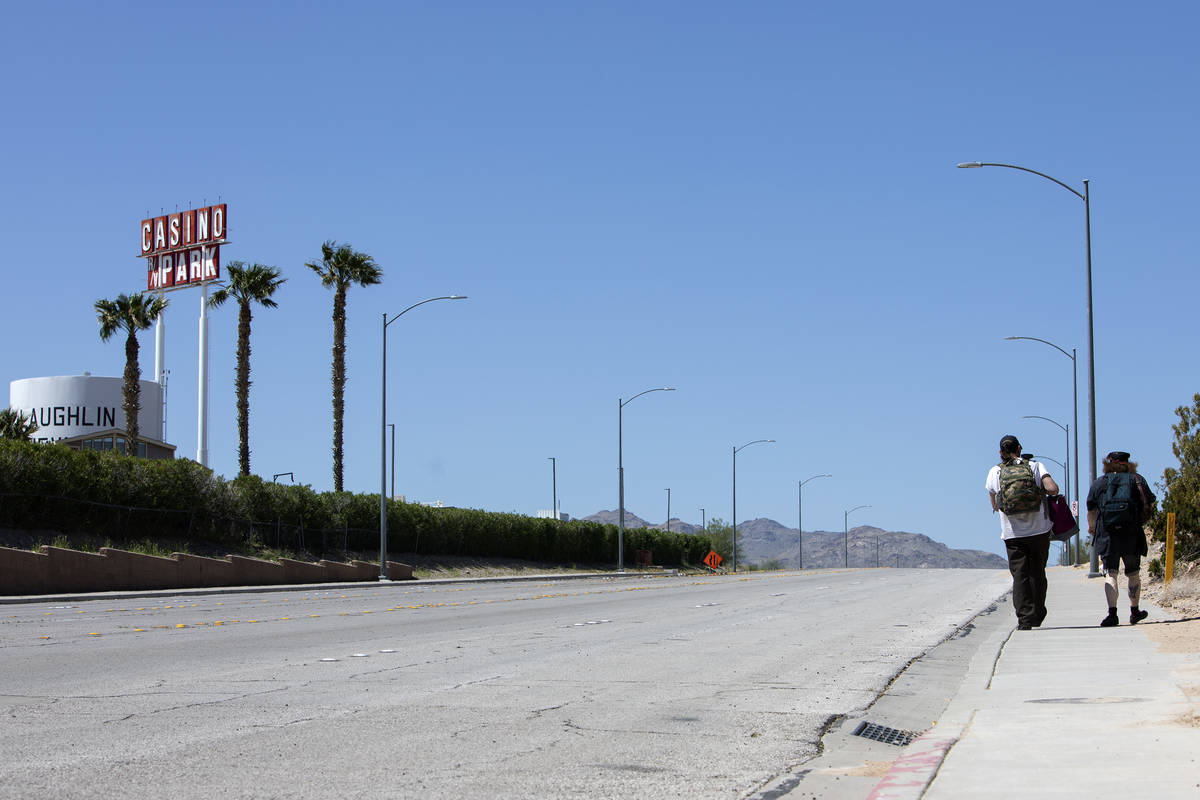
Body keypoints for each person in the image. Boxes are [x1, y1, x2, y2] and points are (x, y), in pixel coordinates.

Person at [986, 435, 1059, 630]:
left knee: (1020, 576)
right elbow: (1052, 488)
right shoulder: (1035, 466)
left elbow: (995, 504)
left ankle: (1024, 619)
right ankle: (1037, 614)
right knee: (1037, 572)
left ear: (1000, 452)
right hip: (1040, 530)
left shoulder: (995, 472)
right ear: (1019, 448)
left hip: (1013, 533)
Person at [1086, 451, 1157, 627]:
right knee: (1133, 573)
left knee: (1111, 573)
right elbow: (1150, 503)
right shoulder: (1136, 479)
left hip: (1107, 534)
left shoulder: (1100, 482)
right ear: (1127, 463)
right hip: (1131, 533)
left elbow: (1091, 510)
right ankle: (1135, 611)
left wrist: (1093, 529)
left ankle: (1112, 614)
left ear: (1108, 463)